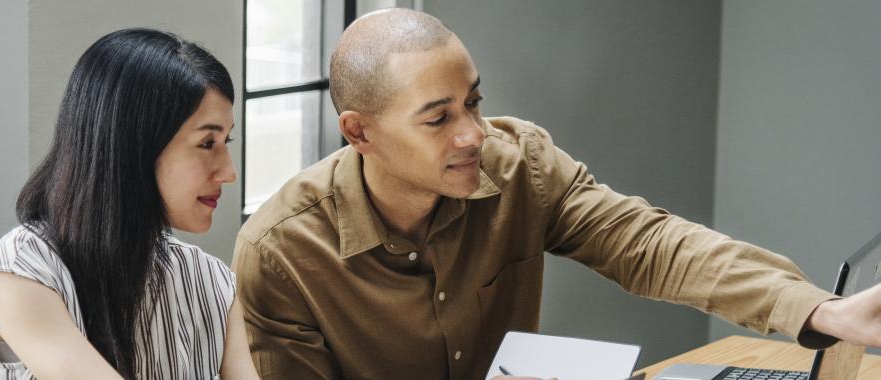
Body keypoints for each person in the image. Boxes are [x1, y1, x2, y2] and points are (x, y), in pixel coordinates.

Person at [232, 8, 881, 379]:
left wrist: (821, 312)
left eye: (474, 102)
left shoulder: (519, 164)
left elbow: (647, 243)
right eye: (438, 117)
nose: (472, 134)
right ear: (359, 132)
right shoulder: (282, 252)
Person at [0, 28, 259, 379]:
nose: (228, 171)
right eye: (207, 143)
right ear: (131, 146)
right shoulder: (17, 276)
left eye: (227, 140)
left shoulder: (211, 282)